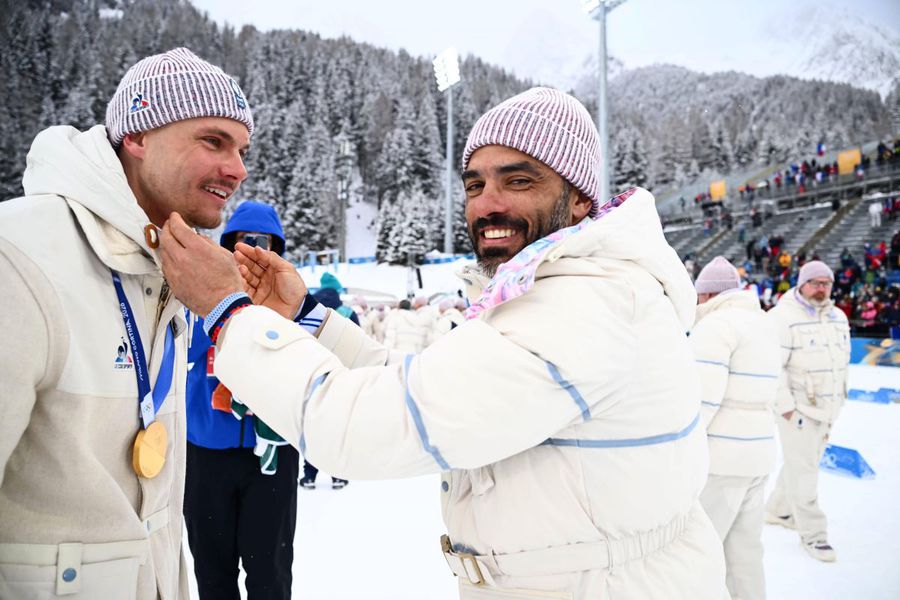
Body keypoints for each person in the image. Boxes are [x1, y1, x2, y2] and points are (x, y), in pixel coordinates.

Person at [159, 87, 725, 599]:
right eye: (476, 184)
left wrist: (229, 313)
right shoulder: (560, 290)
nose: (487, 203)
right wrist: (306, 318)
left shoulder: (587, 304)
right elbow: (421, 380)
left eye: (518, 180)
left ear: (578, 198)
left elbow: (366, 427)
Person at [0, 47, 252, 599]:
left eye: (241, 148)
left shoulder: (169, 267)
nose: (237, 169)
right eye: (213, 141)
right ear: (137, 136)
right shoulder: (18, 253)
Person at [184, 201, 300, 599]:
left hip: (272, 453)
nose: (252, 249)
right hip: (206, 450)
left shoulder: (290, 298)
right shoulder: (201, 297)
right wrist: (221, 308)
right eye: (242, 241)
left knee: (270, 572)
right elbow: (183, 351)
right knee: (212, 570)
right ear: (228, 245)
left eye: (263, 242)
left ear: (277, 248)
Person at [690, 257, 781, 600]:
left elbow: (702, 399)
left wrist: (681, 449)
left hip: (722, 460)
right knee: (745, 552)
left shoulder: (716, 326)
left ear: (707, 295)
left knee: (702, 550)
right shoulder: (764, 324)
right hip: (759, 455)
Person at [765, 261, 850, 562]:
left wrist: (840, 396)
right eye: (815, 283)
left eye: (826, 283)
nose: (821, 288)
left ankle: (779, 510)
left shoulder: (838, 317)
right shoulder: (782, 318)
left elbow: (841, 361)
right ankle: (814, 535)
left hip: (828, 409)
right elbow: (772, 367)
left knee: (802, 464)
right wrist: (787, 408)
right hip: (799, 411)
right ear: (801, 284)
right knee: (806, 473)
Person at [298, 272, 355, 490]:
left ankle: (309, 475)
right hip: (340, 374)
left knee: (312, 427)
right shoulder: (348, 312)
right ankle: (337, 475)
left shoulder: (310, 310)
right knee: (337, 426)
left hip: (311, 374)